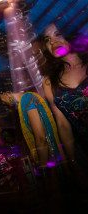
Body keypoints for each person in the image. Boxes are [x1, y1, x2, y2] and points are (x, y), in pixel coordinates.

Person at [40, 23, 88, 163]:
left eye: (58, 34)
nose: (53, 42)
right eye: (47, 39)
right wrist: (72, 161)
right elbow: (62, 125)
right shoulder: (49, 82)